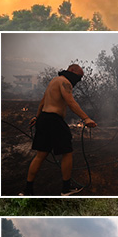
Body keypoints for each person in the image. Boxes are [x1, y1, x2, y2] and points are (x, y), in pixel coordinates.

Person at [21, 64, 97, 196]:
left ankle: (27, 190)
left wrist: (37, 117)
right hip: (54, 121)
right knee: (67, 152)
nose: (79, 80)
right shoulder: (65, 82)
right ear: (72, 71)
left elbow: (43, 102)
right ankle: (66, 189)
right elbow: (71, 102)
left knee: (40, 155)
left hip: (44, 119)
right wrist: (86, 118)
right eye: (79, 77)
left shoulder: (54, 81)